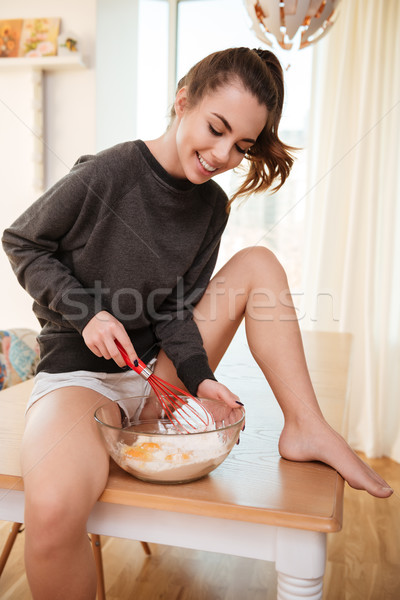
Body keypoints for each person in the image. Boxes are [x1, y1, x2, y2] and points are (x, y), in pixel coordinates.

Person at [2, 47, 393, 600]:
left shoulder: (212, 207)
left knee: (259, 262)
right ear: (182, 101)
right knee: (52, 513)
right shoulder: (110, 171)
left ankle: (306, 425)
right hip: (83, 379)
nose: (222, 155)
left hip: (156, 377)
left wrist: (200, 377)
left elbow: (178, 309)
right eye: (216, 128)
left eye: (242, 146)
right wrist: (86, 313)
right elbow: (22, 241)